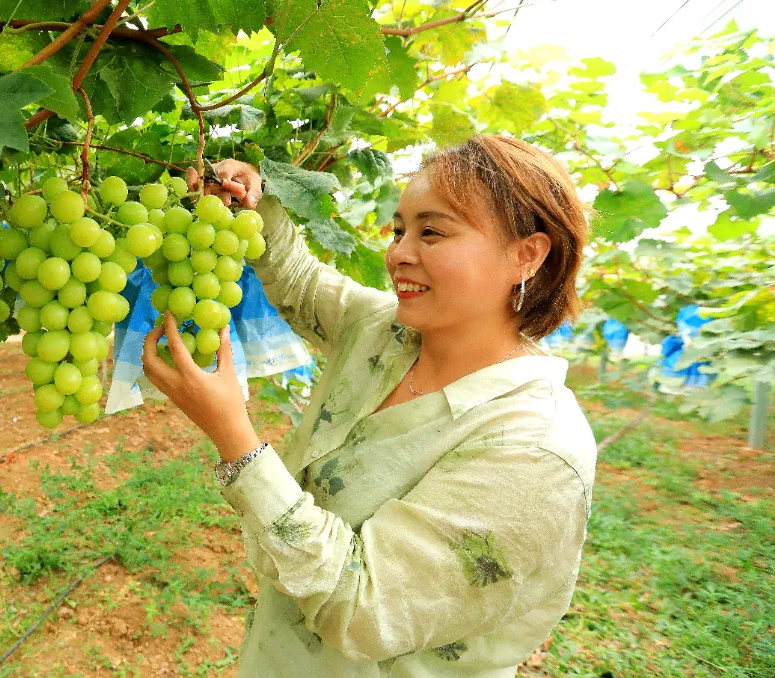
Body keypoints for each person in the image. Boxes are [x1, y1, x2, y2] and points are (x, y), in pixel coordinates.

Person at [140, 134, 597, 677]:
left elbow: (362, 608)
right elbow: (303, 285)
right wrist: (253, 202)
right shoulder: (386, 333)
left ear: (526, 255)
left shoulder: (536, 450)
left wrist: (235, 437)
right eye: (400, 230)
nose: (399, 252)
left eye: (432, 231)